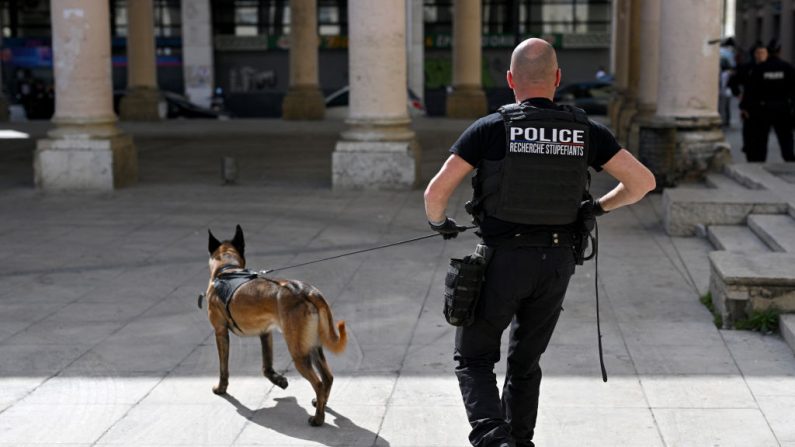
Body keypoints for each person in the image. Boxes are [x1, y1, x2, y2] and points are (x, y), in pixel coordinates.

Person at [423, 38, 655, 447]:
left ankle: (494, 439)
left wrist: (440, 223)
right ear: (558, 79)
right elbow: (642, 183)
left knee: (474, 358)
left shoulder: (492, 127)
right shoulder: (587, 131)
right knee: (526, 362)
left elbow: (435, 194)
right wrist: (595, 208)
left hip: (502, 263)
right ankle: (520, 441)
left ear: (511, 79)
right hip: (556, 263)